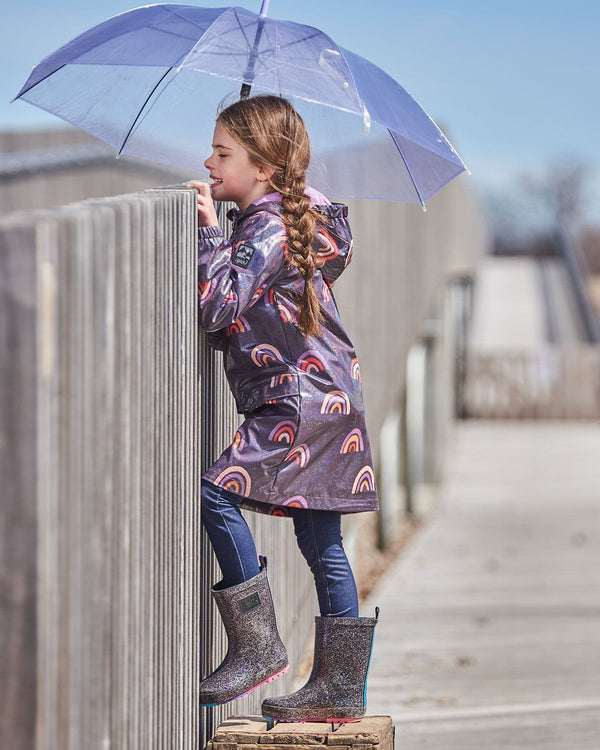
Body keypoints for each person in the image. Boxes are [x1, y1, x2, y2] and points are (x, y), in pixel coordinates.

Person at [189, 95, 378, 723]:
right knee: (321, 540)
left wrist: (209, 228)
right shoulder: (290, 217)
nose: (209, 163)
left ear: (265, 168)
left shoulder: (265, 226)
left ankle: (257, 644)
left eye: (223, 153)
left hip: (296, 399)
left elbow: (218, 306)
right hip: (327, 396)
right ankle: (340, 690)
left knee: (215, 494)